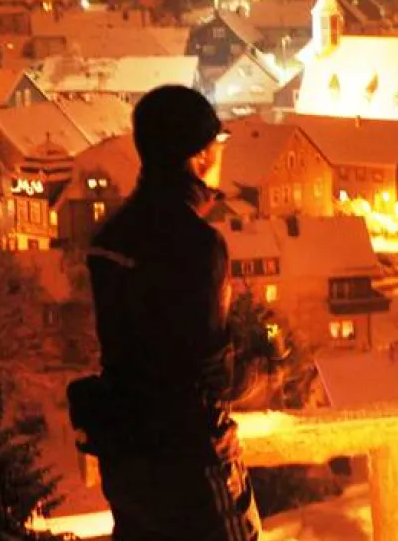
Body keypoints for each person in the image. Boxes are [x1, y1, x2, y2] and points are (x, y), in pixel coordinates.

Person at [84, 85, 260, 541]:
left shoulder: (111, 239)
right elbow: (212, 375)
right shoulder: (197, 245)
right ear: (198, 156)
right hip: (190, 460)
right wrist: (262, 361)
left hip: (128, 458)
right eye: (217, 145)